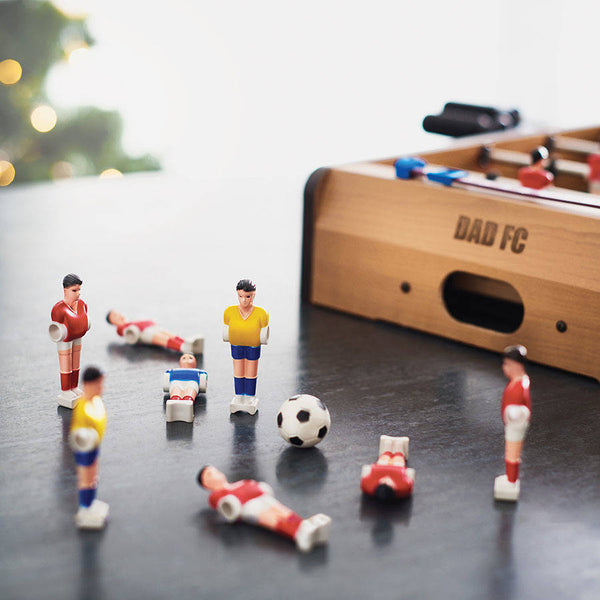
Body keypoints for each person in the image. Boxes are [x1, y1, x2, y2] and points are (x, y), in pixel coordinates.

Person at [198, 466, 331, 552]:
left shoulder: (237, 483)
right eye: (210, 474)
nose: (216, 473)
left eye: (215, 470)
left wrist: (261, 487)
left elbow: (253, 485)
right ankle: (297, 534)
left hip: (261, 497)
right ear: (206, 485)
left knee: (282, 511)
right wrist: (232, 507)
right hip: (249, 507)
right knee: (272, 518)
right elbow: (225, 507)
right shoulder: (216, 496)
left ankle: (304, 524)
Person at [69, 366, 109, 529]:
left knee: (93, 478)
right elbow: (76, 433)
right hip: (85, 450)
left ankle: (91, 503)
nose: (101, 388)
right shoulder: (82, 407)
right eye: (98, 384)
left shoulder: (96, 402)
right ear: (88, 384)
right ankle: (85, 508)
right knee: (86, 478)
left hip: (94, 446)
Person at [223, 279, 269, 414]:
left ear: (253, 295)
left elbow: (264, 332)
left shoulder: (261, 313)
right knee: (238, 370)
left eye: (247, 296)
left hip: (253, 346)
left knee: (251, 371)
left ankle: (249, 396)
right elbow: (226, 329)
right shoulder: (229, 312)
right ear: (237, 295)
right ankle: (239, 395)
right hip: (236, 345)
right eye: (241, 296)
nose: (244, 300)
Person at [494, 345, 532, 501]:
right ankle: (510, 478)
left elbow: (519, 410)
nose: (505, 368)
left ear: (517, 365)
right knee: (511, 453)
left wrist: (511, 415)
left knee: (512, 454)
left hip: (515, 427)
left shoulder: (519, 385)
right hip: (513, 425)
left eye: (507, 364)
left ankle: (511, 481)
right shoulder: (519, 382)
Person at [49, 273, 91, 408]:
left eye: (79, 290)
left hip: (78, 337)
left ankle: (74, 387)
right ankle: (66, 390)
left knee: (75, 364)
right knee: (66, 366)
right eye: (74, 290)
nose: (78, 294)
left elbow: (85, 317)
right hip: (65, 340)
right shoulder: (58, 309)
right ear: (65, 290)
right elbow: (56, 327)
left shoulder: (82, 305)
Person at [106, 309, 203, 354]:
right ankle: (182, 347)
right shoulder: (122, 329)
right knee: (162, 339)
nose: (118, 315)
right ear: (112, 322)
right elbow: (130, 334)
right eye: (114, 316)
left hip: (151, 326)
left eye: (117, 313)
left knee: (170, 335)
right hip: (144, 333)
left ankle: (186, 342)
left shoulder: (128, 321)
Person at [361, 435, 415, 500]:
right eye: (388, 483)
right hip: (397, 467)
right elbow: (409, 477)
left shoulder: (368, 485)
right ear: (393, 487)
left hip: (381, 465)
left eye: (382, 482)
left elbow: (366, 473)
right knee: (398, 459)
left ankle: (387, 451)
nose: (385, 479)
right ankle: (399, 451)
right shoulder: (403, 487)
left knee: (384, 459)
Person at [162, 353, 208, 423]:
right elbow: (167, 376)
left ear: (195, 363)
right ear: (180, 363)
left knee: (190, 390)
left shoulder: (198, 372)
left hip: (192, 383)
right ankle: (174, 400)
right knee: (176, 390)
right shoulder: (173, 371)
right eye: (184, 358)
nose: (187, 359)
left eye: (190, 358)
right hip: (176, 382)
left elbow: (204, 377)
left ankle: (188, 400)